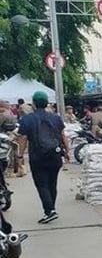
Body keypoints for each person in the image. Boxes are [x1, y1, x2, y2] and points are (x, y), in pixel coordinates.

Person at [16, 91, 71, 223]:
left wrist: (20, 156)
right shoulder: (55, 118)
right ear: (47, 103)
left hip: (38, 156)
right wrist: (67, 151)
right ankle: (51, 208)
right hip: (55, 154)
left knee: (42, 184)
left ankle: (49, 210)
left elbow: (22, 139)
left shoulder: (27, 119)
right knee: (52, 183)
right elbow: (63, 135)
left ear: (34, 104)